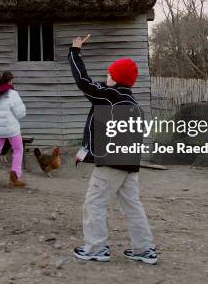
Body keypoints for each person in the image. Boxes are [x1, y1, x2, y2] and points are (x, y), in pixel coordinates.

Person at [69, 36, 157, 264]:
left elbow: (83, 81)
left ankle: (96, 248)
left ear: (116, 79)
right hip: (130, 164)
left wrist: (75, 52)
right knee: (132, 205)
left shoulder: (109, 96)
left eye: (109, 75)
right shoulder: (134, 104)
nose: (105, 78)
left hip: (111, 163)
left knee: (94, 202)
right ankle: (144, 250)